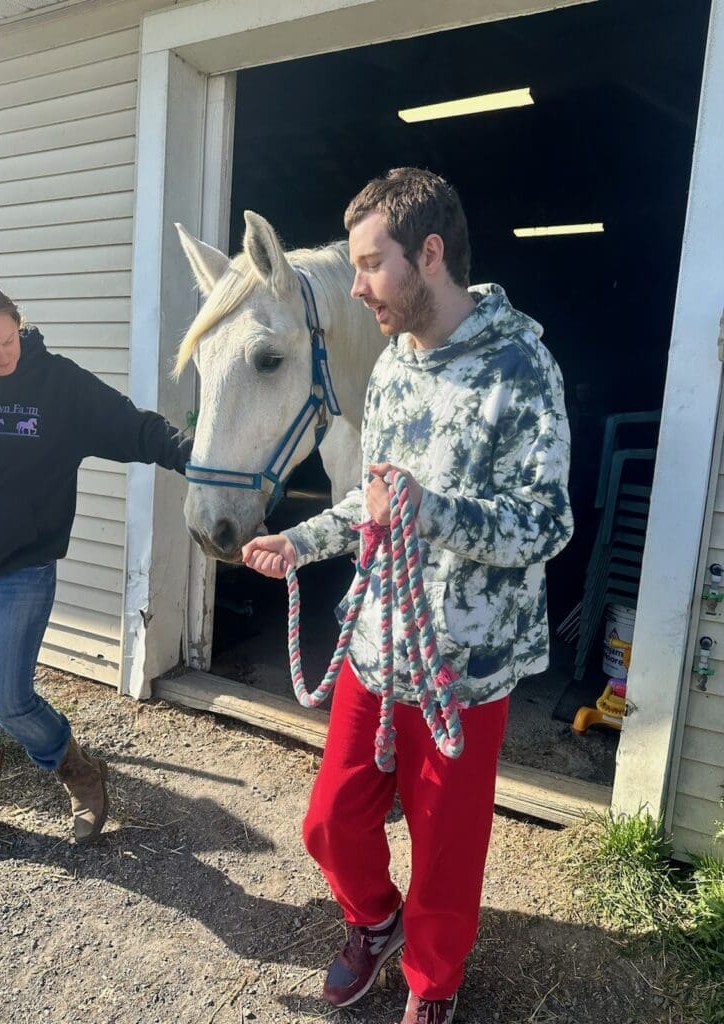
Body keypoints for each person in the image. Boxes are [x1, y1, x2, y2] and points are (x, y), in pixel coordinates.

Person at [242, 168, 573, 1024]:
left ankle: (434, 982)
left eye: (368, 263)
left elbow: (545, 524)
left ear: (428, 254)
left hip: (466, 666)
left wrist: (434, 512)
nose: (356, 287)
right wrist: (303, 540)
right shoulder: (389, 368)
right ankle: (376, 921)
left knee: (447, 850)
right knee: (328, 823)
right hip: (378, 644)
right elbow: (371, 500)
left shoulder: (521, 365)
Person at [0, 272, 191, 868]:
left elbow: (135, 427)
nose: (1, 354)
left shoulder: (58, 385)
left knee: (5, 696)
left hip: (21, 569)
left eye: (8, 339)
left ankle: (78, 771)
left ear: (18, 322)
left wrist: (208, 462)